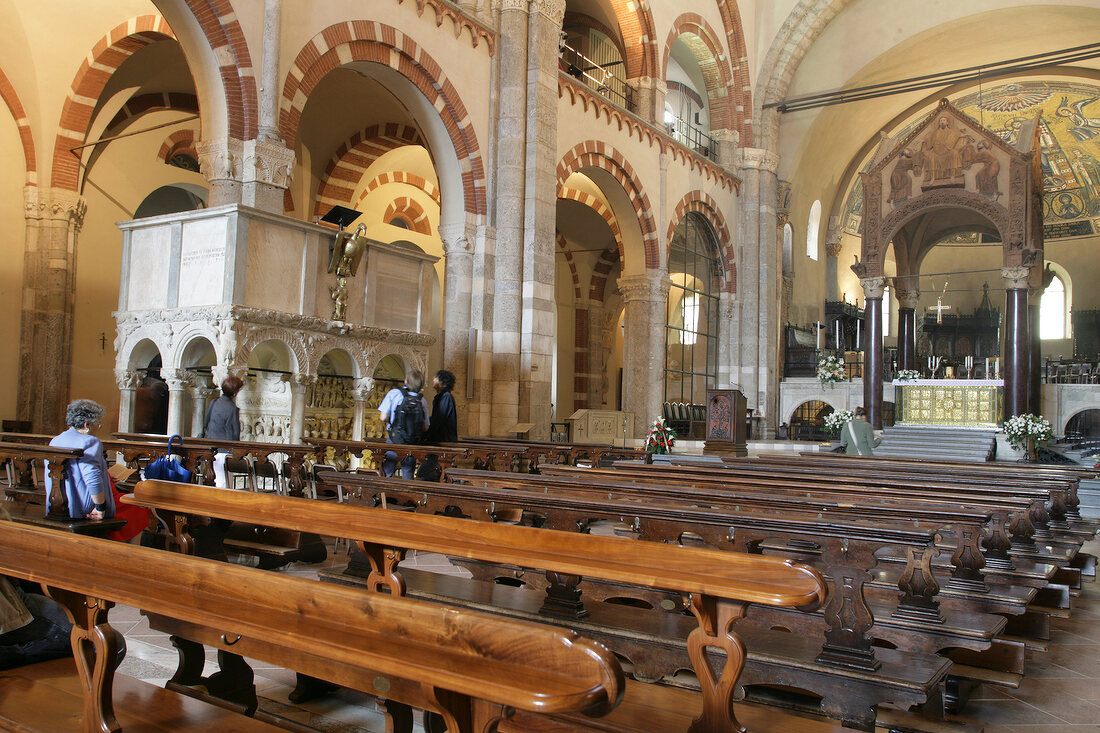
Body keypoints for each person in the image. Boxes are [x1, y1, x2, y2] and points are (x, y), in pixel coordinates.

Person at [45, 399, 114, 520]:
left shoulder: (55, 440)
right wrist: (100, 507)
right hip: (84, 511)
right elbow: (92, 477)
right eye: (98, 424)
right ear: (86, 425)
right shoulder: (89, 441)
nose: (98, 428)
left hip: (56, 508)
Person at [378, 369, 429, 479]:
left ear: (406, 381)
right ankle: (406, 494)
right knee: (408, 473)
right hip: (412, 442)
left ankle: (384, 494)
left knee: (387, 471)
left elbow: (383, 417)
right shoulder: (421, 400)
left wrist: (395, 420)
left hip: (394, 439)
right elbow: (425, 427)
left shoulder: (394, 394)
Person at [204, 375, 244, 488]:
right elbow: (234, 433)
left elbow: (206, 423)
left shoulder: (214, 402)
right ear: (235, 392)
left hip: (211, 448)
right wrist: (237, 451)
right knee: (224, 483)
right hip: (224, 450)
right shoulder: (232, 408)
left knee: (214, 480)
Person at [418, 369, 458, 481]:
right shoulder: (441, 397)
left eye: (435, 377)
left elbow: (439, 420)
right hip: (438, 440)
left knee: (424, 471)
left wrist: (427, 432)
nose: (433, 380)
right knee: (427, 470)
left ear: (442, 382)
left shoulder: (446, 397)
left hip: (443, 440)